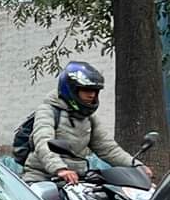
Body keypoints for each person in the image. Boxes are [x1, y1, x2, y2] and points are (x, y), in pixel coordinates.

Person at [23, 61, 151, 184]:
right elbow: (43, 141)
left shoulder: (88, 118)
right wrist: (60, 169)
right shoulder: (48, 110)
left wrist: (136, 166)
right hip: (42, 178)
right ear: (71, 89)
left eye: (95, 91)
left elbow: (108, 148)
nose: (92, 95)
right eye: (87, 90)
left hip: (75, 180)